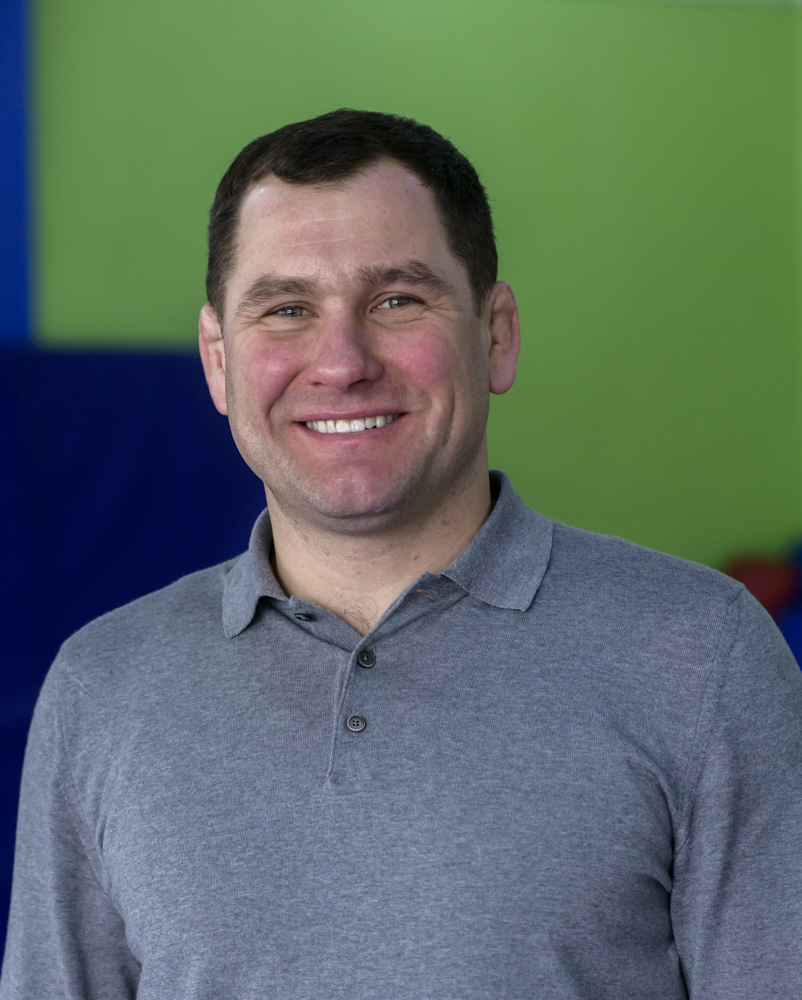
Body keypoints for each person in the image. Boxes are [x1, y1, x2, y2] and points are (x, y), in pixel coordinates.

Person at [2, 109, 801, 1000]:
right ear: (218, 361)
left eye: (397, 301)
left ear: (496, 335)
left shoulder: (704, 658)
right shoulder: (102, 688)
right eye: (287, 309)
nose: (341, 362)